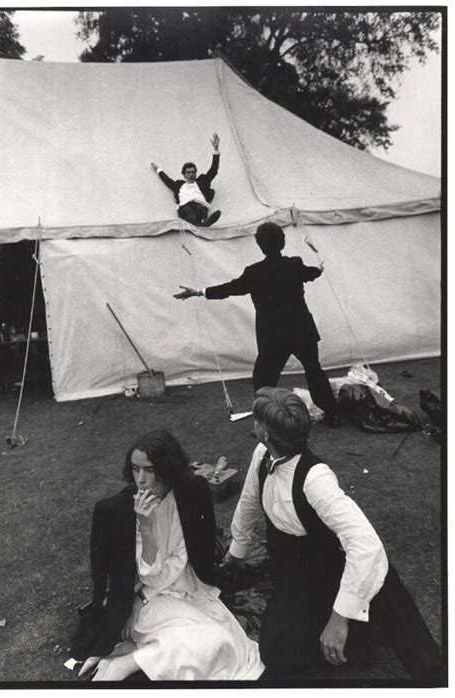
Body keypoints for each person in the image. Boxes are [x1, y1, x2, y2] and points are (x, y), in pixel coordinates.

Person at [221, 387, 443, 682]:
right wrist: (236, 554)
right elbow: (249, 500)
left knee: (383, 583)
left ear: (265, 431)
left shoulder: (315, 479)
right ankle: (360, 632)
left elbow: (366, 546)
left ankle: (430, 673)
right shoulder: (263, 454)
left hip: (333, 570)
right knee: (277, 654)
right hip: (295, 577)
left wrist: (339, 619)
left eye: (256, 420)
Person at [72, 429, 264, 681]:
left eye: (149, 470)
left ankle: (133, 657)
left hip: (182, 587)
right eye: (135, 468)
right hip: (143, 600)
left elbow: (181, 560)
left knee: (225, 642)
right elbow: (145, 574)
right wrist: (147, 526)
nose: (140, 479)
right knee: (210, 641)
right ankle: (126, 662)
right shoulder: (118, 509)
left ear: (167, 469)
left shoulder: (190, 493)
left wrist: (144, 596)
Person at [174, 221, 341, 426]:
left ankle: (264, 420)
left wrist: (199, 292)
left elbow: (230, 288)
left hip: (273, 335)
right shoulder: (294, 264)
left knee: (264, 380)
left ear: (260, 246)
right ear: (282, 242)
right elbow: (310, 274)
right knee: (314, 371)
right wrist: (319, 270)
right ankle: (332, 414)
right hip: (302, 330)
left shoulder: (255, 272)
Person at [151, 133, 222, 227]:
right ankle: (202, 223)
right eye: (188, 172)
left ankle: (202, 222)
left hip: (200, 205)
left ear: (196, 173)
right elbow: (167, 180)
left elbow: (213, 170)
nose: (191, 174)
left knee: (201, 208)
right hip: (186, 207)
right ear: (184, 175)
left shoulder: (202, 182)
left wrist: (216, 150)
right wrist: (158, 169)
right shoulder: (179, 185)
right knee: (188, 211)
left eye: (193, 172)